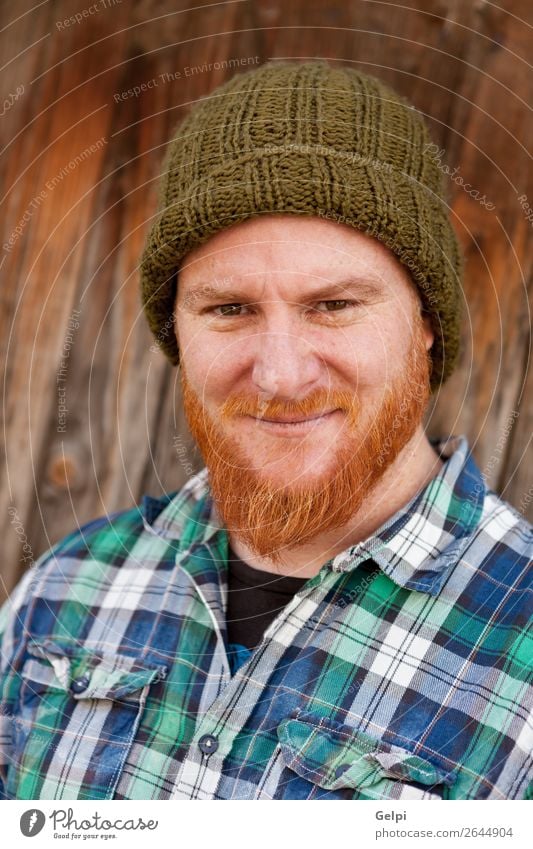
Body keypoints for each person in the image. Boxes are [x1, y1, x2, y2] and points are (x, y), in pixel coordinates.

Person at [0, 60, 531, 801]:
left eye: (334, 304)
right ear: (177, 331)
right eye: (229, 309)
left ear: (425, 325)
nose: (281, 376)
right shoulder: (63, 591)